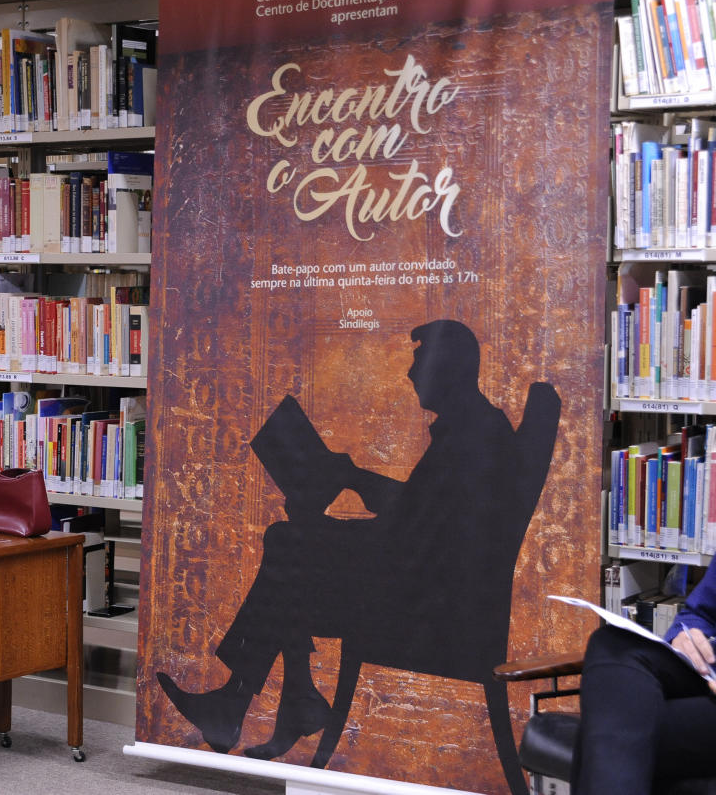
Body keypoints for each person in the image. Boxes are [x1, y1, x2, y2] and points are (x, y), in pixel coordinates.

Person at [157, 320, 556, 768]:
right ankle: (288, 703)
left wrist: (331, 521)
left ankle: (263, 702)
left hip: (426, 612)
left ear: (447, 368)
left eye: (418, 361)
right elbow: (422, 515)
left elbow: (414, 535)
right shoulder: (477, 428)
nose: (409, 374)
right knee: (292, 548)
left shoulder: (472, 436)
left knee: (288, 547)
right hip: (427, 590)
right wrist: (351, 479)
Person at [573, 564, 716, 794]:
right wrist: (685, 634)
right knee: (612, 644)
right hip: (709, 670)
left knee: (604, 731)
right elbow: (699, 613)